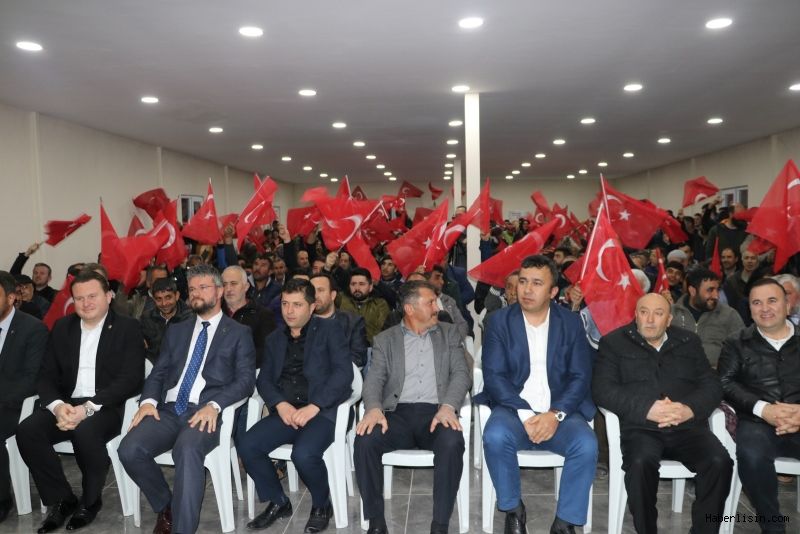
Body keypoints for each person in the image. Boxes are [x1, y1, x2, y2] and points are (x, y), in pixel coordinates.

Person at [118, 264, 256, 534]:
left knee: (187, 449)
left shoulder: (238, 333)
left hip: (205, 412)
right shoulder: (178, 330)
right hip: (170, 410)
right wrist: (148, 402)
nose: (196, 293)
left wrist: (215, 405)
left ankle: (182, 529)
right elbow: (158, 372)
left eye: (203, 287)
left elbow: (245, 381)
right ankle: (167, 506)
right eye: (192, 289)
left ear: (219, 291)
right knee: (129, 449)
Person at [16, 270, 145, 533]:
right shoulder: (63, 327)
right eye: (79, 298)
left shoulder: (127, 327)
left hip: (107, 405)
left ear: (108, 296)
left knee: (85, 431)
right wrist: (57, 406)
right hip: (66, 403)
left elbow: (131, 378)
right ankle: (62, 499)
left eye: (92, 296)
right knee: (28, 430)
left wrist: (88, 408)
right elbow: (46, 374)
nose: (86, 303)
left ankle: (90, 501)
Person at [593, 293, 732, 534]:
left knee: (720, 462)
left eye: (658, 314)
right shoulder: (613, 343)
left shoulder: (688, 341)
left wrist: (689, 409)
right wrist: (647, 408)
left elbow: (711, 385)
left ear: (669, 319)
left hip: (687, 428)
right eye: (644, 312)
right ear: (635, 315)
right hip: (641, 428)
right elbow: (602, 389)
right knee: (640, 464)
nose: (650, 319)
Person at [478, 255, 597, 534]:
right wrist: (524, 414)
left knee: (586, 445)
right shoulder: (499, 321)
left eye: (536, 283)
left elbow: (580, 376)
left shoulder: (570, 323)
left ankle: (565, 522)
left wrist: (555, 414)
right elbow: (494, 376)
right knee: (494, 437)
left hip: (560, 412)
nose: (527, 290)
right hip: (513, 409)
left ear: (553, 291)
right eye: (522, 282)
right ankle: (513, 509)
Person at [355, 280, 470, 534]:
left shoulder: (449, 333)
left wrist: (449, 406)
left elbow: (461, 374)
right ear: (410, 309)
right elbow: (374, 379)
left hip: (436, 413)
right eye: (430, 303)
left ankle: (440, 524)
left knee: (452, 442)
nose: (437, 308)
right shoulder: (386, 339)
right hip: (396, 415)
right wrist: (373, 408)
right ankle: (376, 522)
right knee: (365, 440)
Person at [238, 279, 352, 533]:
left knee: (303, 454)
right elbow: (264, 379)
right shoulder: (275, 338)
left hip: (324, 411)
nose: (289, 311)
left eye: (297, 305)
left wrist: (315, 406)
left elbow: (344, 375)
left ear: (312, 307)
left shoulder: (330, 330)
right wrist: (280, 404)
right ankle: (279, 502)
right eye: (285, 304)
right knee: (247, 445)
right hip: (289, 411)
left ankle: (322, 504)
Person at [718, 278, 800, 534]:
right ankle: (772, 525)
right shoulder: (736, 342)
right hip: (757, 422)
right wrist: (765, 409)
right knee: (752, 456)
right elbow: (725, 382)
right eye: (757, 303)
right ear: (750, 309)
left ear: (788, 305)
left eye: (772, 301)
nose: (765, 308)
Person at [0, 271, 47, 522]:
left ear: (11, 298)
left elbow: (31, 379)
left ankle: (1, 499)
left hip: (17, 405)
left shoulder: (33, 329)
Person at [672, 268, 744, 367]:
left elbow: (743, 350)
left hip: (716, 373)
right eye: (710, 290)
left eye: (717, 290)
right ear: (692, 291)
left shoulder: (729, 315)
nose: (716, 296)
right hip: (676, 372)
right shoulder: (671, 314)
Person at [310, 273, 368, 367]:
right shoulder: (302, 322)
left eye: (320, 290)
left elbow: (358, 358)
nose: (315, 295)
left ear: (333, 295)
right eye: (312, 291)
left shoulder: (353, 322)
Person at [221, 265, 276, 366]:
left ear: (246, 287)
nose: (228, 289)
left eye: (233, 284)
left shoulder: (263, 315)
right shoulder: (215, 313)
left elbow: (266, 352)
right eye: (224, 284)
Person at [140, 277, 194, 363]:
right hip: (153, 366)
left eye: (168, 297)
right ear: (154, 299)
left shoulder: (190, 319)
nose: (164, 303)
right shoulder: (146, 318)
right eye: (159, 299)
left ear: (177, 296)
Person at [339, 268, 391, 345]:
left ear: (370, 287)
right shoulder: (341, 299)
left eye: (361, 284)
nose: (357, 288)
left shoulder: (380, 304)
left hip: (372, 347)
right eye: (353, 284)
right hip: (344, 346)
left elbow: (383, 331)